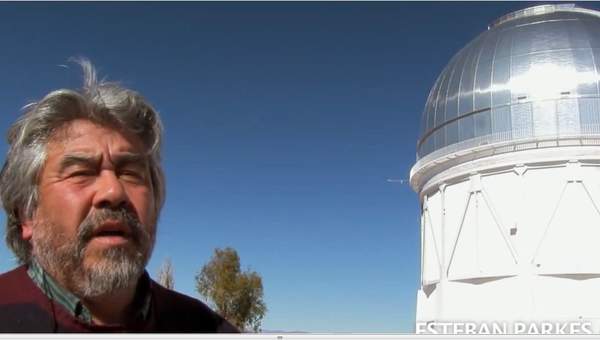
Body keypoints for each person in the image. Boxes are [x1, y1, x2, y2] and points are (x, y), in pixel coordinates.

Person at [0, 59, 238, 333]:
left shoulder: (205, 327)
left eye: (131, 173)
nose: (113, 192)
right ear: (27, 214)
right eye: (81, 172)